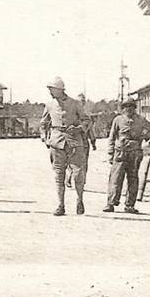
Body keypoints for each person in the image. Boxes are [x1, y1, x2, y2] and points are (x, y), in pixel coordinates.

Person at [40, 77, 89, 216]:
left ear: (60, 90)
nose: (50, 91)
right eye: (49, 89)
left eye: (52, 89)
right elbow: (43, 123)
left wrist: (79, 128)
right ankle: (60, 205)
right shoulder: (49, 105)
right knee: (59, 174)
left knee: (78, 174)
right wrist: (44, 137)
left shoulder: (75, 103)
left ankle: (80, 200)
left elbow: (86, 120)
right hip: (56, 142)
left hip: (74, 141)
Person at [103, 97, 150, 214]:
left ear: (134, 108)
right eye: (126, 106)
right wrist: (111, 153)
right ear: (123, 108)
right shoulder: (118, 120)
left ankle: (130, 205)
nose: (129, 109)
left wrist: (143, 137)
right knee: (115, 178)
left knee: (133, 179)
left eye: (131, 106)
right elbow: (112, 137)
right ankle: (111, 203)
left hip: (135, 153)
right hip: (120, 152)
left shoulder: (141, 120)